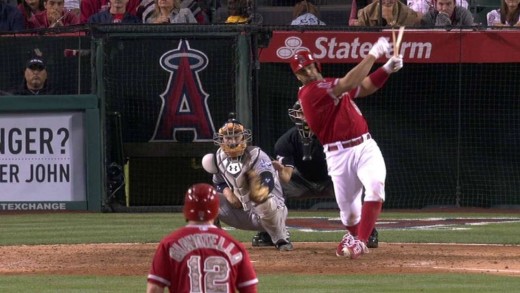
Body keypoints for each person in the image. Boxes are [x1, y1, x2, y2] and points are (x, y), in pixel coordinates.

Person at [289, 38, 403, 258]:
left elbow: (364, 87)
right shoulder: (310, 92)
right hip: (338, 154)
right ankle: (352, 234)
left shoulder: (328, 85)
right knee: (349, 215)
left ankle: (360, 241)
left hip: (365, 145)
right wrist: (373, 54)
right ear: (298, 76)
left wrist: (387, 69)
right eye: (303, 70)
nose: (309, 72)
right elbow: (350, 82)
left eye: (311, 66)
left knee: (376, 185)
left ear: (317, 65)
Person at [272, 101, 380, 248]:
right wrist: (278, 170)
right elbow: (287, 176)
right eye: (301, 113)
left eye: (308, 112)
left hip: (333, 180)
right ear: (295, 115)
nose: (305, 118)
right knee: (273, 185)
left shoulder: (337, 135)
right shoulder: (286, 141)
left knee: (353, 182)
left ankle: (366, 233)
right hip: (302, 182)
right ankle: (271, 232)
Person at [201, 113, 293, 251]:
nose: (232, 142)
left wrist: (261, 192)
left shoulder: (256, 154)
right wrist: (229, 195)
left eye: (236, 137)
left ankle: (281, 238)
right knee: (205, 197)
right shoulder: (218, 158)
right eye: (228, 137)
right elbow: (219, 182)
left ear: (243, 138)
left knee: (263, 201)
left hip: (271, 211)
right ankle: (215, 240)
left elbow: (268, 177)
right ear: (222, 139)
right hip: (242, 212)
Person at [146, 183, 258, 293]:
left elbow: (154, 289)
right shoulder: (234, 246)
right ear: (216, 210)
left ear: (186, 210)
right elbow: (250, 289)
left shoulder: (169, 244)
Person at [356, 0, 421, 26]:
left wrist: (391, 21)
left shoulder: (409, 14)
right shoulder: (365, 13)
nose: (387, 0)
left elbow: (407, 42)